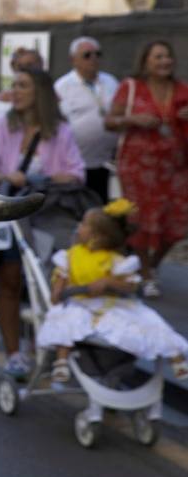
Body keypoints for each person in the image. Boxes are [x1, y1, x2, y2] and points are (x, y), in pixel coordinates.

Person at [0, 67, 85, 378]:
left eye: (23, 86)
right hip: (10, 211)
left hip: (47, 214)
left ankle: (43, 346)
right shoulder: (1, 126)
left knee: (50, 280)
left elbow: (76, 173)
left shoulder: (60, 131)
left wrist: (38, 178)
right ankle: (13, 352)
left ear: (40, 93)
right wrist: (3, 176)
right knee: (10, 278)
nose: (16, 91)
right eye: (15, 85)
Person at [38, 201, 188, 383]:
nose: (79, 227)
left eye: (84, 224)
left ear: (97, 236)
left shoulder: (115, 260)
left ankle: (176, 356)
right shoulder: (70, 256)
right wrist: (60, 292)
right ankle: (61, 361)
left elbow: (131, 285)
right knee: (66, 320)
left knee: (148, 320)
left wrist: (110, 281)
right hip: (80, 302)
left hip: (111, 304)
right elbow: (58, 289)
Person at [104, 39, 188, 297]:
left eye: (168, 56)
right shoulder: (130, 87)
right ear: (145, 62)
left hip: (175, 167)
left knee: (177, 224)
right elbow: (110, 122)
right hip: (137, 167)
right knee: (140, 220)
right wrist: (133, 119)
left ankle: (149, 266)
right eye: (158, 57)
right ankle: (146, 273)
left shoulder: (182, 89)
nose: (165, 61)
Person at [53, 37, 120, 201]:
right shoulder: (62, 86)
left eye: (98, 54)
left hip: (107, 160)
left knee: (105, 203)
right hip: (79, 163)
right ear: (73, 60)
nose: (94, 59)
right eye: (87, 55)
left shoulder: (110, 81)